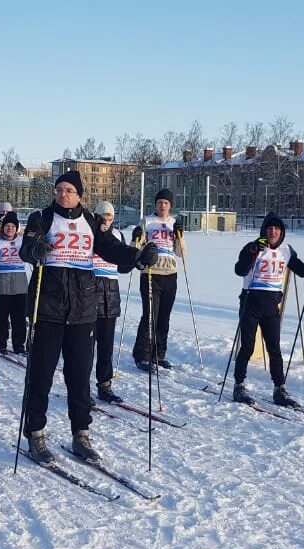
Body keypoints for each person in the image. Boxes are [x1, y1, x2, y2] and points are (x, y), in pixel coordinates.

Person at [19, 171, 157, 465]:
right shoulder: (42, 218)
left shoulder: (91, 223)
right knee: (41, 374)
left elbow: (112, 249)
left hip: (83, 310)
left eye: (69, 190)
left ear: (80, 195)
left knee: (80, 376)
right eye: (59, 190)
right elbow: (26, 250)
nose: (63, 194)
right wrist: (35, 249)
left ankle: (81, 433)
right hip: (48, 308)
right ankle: (35, 432)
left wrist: (137, 257)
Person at [230, 212, 304, 406]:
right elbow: (239, 270)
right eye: (270, 228)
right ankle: (239, 385)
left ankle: (279, 389)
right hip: (250, 302)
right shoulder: (253, 247)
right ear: (264, 230)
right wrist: (253, 252)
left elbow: (303, 271)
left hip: (272, 306)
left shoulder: (286, 250)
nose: (273, 231)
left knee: (274, 349)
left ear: (281, 232)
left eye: (277, 229)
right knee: (247, 347)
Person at [130, 189, 183, 371]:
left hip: (170, 273)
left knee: (164, 317)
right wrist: (136, 237)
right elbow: (136, 248)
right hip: (151, 273)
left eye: (166, 203)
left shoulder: (173, 223)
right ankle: (142, 355)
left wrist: (179, 237)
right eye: (160, 202)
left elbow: (181, 253)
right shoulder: (147, 221)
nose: (162, 206)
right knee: (150, 315)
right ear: (156, 204)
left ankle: (159, 354)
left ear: (170, 206)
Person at [91, 201, 135, 403]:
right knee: (86, 345)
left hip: (111, 292)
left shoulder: (118, 235)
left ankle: (105, 384)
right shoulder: (90, 233)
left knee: (106, 344)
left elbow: (123, 267)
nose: (106, 222)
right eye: (102, 217)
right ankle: (81, 386)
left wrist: (135, 254)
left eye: (109, 218)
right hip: (90, 289)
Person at [0, 210, 28, 354]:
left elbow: (30, 255)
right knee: (1, 317)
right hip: (1, 283)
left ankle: (19, 344)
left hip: (20, 284)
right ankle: (1, 343)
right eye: (7, 226)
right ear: (2, 227)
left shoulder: (22, 240)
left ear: (17, 228)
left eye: (13, 226)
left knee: (19, 317)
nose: (10, 229)